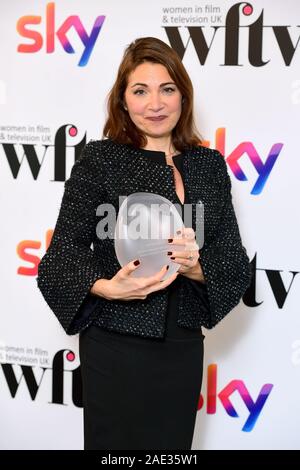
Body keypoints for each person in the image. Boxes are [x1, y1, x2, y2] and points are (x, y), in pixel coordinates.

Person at [37, 37, 252, 450]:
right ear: (123, 102)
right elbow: (61, 256)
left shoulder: (208, 166)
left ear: (183, 98)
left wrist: (192, 266)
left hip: (182, 346)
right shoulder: (101, 160)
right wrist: (107, 287)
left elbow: (234, 263)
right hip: (113, 343)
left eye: (167, 89)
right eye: (140, 90)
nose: (155, 103)